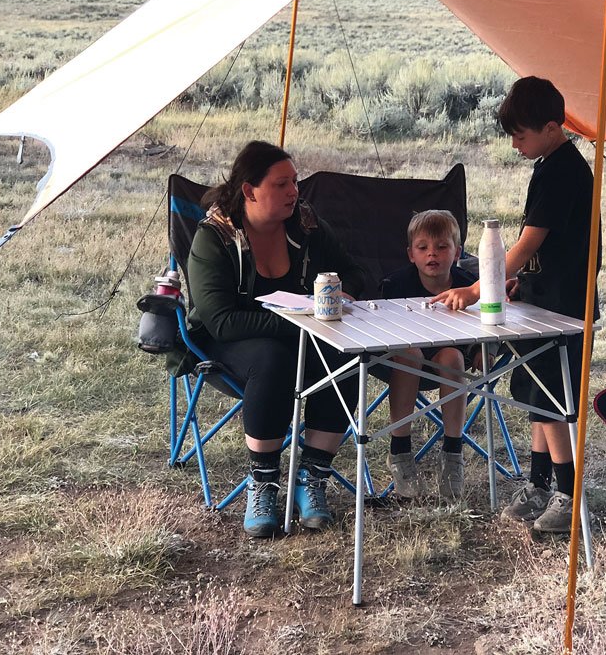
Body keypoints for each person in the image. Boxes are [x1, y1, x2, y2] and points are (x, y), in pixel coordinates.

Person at [432, 76, 600, 535]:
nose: (514, 144)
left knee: (554, 402)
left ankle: (566, 494)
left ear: (551, 127)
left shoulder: (564, 169)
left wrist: (478, 289)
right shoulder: (548, 165)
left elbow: (529, 242)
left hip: (565, 307)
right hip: (542, 299)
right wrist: (519, 284)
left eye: (520, 135)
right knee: (534, 396)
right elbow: (540, 252)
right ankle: (539, 484)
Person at [185, 141, 365, 538]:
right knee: (273, 360)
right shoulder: (213, 237)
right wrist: (301, 322)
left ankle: (312, 476)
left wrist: (343, 293)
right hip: (228, 343)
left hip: (303, 335)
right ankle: (263, 482)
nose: (294, 192)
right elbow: (220, 321)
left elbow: (353, 271)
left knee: (347, 356)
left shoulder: (306, 224)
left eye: (295, 183)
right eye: (282, 184)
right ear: (250, 191)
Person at [379, 210, 477, 501]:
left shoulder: (469, 285)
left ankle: (453, 454)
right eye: (423, 248)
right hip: (402, 361)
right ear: (411, 254)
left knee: (452, 358)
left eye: (442, 247)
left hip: (451, 358)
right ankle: (400, 453)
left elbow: (487, 319)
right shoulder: (394, 286)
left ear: (457, 252)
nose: (432, 254)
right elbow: (381, 329)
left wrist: (485, 352)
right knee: (409, 354)